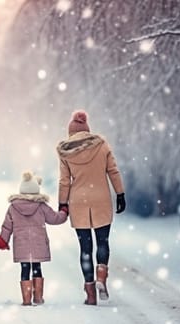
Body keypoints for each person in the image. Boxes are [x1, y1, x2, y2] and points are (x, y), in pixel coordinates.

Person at [56, 110, 126, 306]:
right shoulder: (101, 145)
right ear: (87, 130)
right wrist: (120, 194)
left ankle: (90, 293)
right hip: (101, 198)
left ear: (70, 133)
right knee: (102, 242)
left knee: (85, 248)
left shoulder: (65, 152)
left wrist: (63, 203)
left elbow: (64, 181)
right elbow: (113, 170)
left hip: (78, 201)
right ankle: (101, 276)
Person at [0, 171, 68, 306]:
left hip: (21, 245)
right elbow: (55, 218)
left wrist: (3, 241)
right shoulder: (41, 206)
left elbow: (7, 226)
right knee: (37, 268)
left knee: (25, 269)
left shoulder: (13, 207)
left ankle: (26, 300)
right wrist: (64, 212)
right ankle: (37, 297)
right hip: (38, 244)